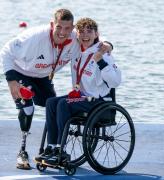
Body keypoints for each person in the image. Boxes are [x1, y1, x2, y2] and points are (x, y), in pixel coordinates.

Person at [0, 9, 112, 170]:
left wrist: (108, 45)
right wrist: (11, 81)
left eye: (67, 29)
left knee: (52, 105)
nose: (62, 32)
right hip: (21, 72)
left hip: (44, 76)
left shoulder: (75, 37)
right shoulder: (35, 37)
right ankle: (22, 152)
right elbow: (6, 51)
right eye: (58, 27)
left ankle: (53, 148)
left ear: (72, 28)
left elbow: (95, 38)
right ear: (52, 24)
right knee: (28, 109)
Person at [34, 17, 121, 166]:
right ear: (77, 34)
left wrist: (100, 61)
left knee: (63, 104)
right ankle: (51, 147)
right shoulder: (77, 50)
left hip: (97, 101)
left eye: (89, 31)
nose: (85, 35)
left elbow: (116, 81)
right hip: (81, 97)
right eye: (82, 31)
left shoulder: (103, 53)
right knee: (51, 102)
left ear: (96, 34)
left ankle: (61, 150)